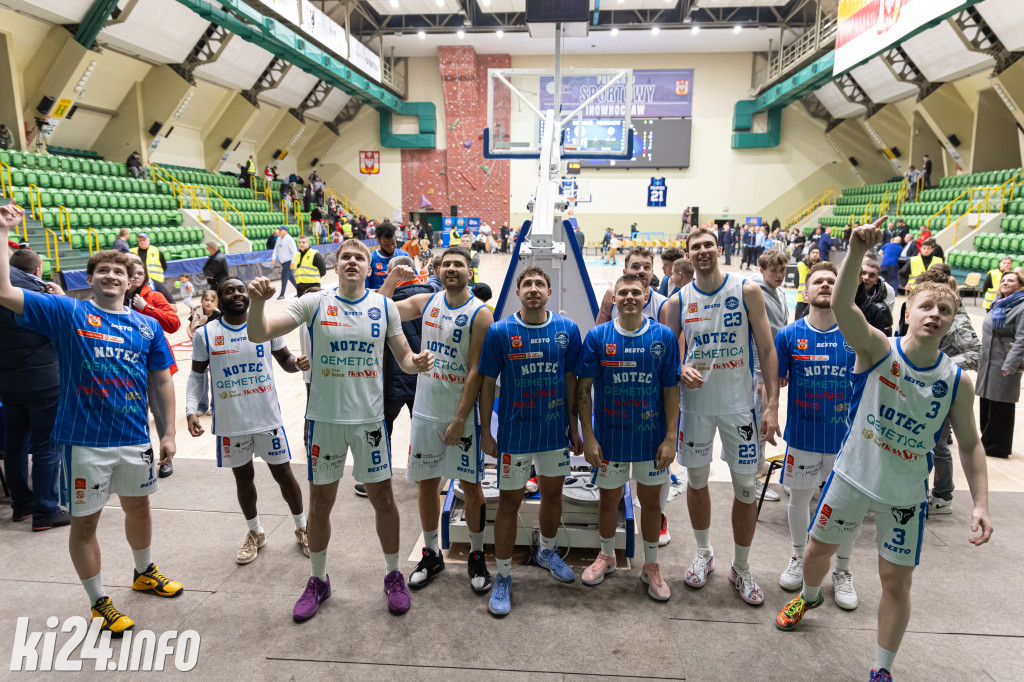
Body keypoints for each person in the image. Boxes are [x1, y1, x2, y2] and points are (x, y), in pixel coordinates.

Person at [775, 217, 993, 682]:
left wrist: (981, 503)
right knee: (815, 552)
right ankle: (810, 596)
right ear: (907, 311)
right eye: (926, 306)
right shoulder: (876, 349)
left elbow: (972, 446)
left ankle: (882, 669)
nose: (934, 315)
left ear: (952, 322)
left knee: (896, 582)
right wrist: (855, 251)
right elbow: (842, 306)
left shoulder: (956, 382)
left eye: (944, 311)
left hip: (905, 495)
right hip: (852, 476)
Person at [0, 202, 183, 635]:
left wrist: (170, 433)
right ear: (89, 278)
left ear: (130, 280)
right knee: (86, 523)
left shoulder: (147, 327)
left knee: (139, 509)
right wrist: (3, 232)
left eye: (119, 271)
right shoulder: (68, 313)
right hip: (84, 442)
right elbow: (5, 292)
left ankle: (144, 572)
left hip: (134, 438)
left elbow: (162, 379)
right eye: (103, 271)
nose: (111, 276)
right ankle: (99, 601)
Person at [247, 239, 434, 622]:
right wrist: (258, 303)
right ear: (336, 266)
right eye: (345, 256)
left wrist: (417, 362)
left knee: (384, 501)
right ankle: (318, 580)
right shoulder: (315, 302)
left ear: (369, 267)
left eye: (359, 257)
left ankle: (393, 575)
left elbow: (404, 358)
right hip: (325, 421)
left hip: (369, 422)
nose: (351, 261)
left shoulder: (384, 306)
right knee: (321, 504)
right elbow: (259, 333)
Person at [663, 227, 781, 606]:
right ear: (688, 254)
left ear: (718, 248)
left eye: (707, 245)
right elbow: (665, 354)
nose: (702, 251)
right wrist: (679, 368)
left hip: (738, 407)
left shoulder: (746, 290)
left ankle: (741, 566)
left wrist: (772, 405)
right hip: (695, 407)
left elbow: (767, 348)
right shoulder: (677, 302)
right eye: (695, 247)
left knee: (745, 487)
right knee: (697, 481)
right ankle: (704, 553)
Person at [377, 246, 494, 594]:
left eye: (459, 264)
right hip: (425, 412)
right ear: (439, 270)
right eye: (447, 264)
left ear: (470, 272)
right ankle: (431, 554)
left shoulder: (480, 314)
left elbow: (476, 371)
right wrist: (390, 280)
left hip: (462, 417)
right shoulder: (426, 301)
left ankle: (476, 555)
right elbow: (378, 310)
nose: (452, 269)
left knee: (471, 487)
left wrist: (460, 419)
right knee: (426, 484)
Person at [478, 266, 583, 615]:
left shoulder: (567, 330)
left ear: (549, 292)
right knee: (509, 503)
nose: (534, 288)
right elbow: (487, 385)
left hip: (554, 432)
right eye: (527, 284)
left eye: (540, 284)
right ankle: (504, 576)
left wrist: (574, 427)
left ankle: (547, 551)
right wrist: (486, 431)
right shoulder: (500, 331)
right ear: (518, 292)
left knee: (552, 494)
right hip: (514, 434)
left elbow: (571, 381)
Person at [185, 278, 311, 564]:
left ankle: (302, 527)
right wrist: (191, 409)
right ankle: (255, 532)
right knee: (243, 479)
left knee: (284, 475)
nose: (237, 294)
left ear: (249, 295)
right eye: (229, 291)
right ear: (220, 299)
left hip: (267, 417)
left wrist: (297, 364)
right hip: (231, 423)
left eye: (241, 289)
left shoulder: (265, 326)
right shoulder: (205, 335)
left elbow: (286, 360)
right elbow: (196, 376)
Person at [577, 273, 680, 600]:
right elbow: (584, 388)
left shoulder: (663, 336)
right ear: (613, 299)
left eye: (636, 292)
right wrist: (588, 435)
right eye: (623, 293)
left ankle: (651, 565)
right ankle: (607, 555)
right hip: (610, 438)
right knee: (608, 499)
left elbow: (671, 390)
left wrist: (671, 437)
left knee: (650, 502)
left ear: (646, 296)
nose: (630, 297)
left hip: (651, 439)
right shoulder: (598, 336)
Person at [774, 261, 860, 609]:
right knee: (799, 500)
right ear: (806, 293)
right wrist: (768, 411)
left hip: (846, 440)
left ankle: (843, 570)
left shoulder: (858, 334)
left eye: (832, 281)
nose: (825, 285)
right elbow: (775, 382)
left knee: (845, 508)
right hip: (803, 435)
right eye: (818, 281)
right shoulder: (788, 335)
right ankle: (799, 556)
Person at [0, 247, 65, 530]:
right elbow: (67, 323)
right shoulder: (36, 292)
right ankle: (46, 511)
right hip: (43, 381)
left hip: (8, 381)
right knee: (45, 447)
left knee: (14, 445)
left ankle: (22, 506)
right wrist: (59, 297)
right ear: (37, 269)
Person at [930, 275, 981, 514]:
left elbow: (975, 353)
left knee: (939, 443)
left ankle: (942, 495)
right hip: (922, 387)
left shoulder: (958, 320)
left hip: (943, 388)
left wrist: (941, 366)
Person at [126, 256, 180, 478]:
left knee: (159, 412)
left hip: (153, 364)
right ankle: (139, 458)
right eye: (132, 273)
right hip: (126, 364)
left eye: (140, 273)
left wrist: (146, 308)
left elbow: (174, 324)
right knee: (134, 412)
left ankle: (166, 457)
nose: (136, 277)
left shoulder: (154, 295)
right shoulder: (114, 297)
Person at [751, 250, 790, 503]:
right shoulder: (756, 294)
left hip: (773, 367)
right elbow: (756, 340)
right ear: (762, 270)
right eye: (774, 270)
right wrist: (761, 377)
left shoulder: (780, 293)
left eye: (782, 270)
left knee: (765, 421)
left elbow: (780, 333)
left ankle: (759, 462)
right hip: (759, 371)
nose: (779, 275)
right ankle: (750, 476)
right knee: (757, 424)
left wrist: (781, 369)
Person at [976, 269, 1024, 459]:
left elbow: (1022, 340)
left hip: (1005, 361)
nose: (1005, 283)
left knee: (1001, 405)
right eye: (1003, 280)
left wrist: (1010, 364)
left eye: (1011, 281)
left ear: (1021, 286)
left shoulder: (1021, 307)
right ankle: (986, 443)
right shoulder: (998, 304)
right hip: (988, 360)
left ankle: (997, 447)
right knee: (987, 402)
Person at [596, 246, 667, 325]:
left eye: (647, 267)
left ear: (652, 273)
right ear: (625, 273)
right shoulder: (611, 295)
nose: (641, 271)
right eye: (635, 267)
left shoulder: (663, 305)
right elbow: (599, 330)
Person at [187, 289, 219, 416]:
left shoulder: (218, 315)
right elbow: (189, 326)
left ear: (216, 303)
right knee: (201, 379)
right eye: (206, 300)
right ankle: (201, 406)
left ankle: (215, 406)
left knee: (216, 380)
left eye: (212, 300)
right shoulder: (197, 312)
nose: (208, 303)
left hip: (214, 351)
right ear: (201, 300)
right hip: (200, 352)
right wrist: (191, 335)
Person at [367, 222, 415, 290]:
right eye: (387, 245)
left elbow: (415, 280)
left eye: (393, 243)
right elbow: (365, 289)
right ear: (379, 241)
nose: (391, 247)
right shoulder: (371, 259)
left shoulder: (404, 256)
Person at [855, 255, 894, 337]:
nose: (866, 278)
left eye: (872, 275)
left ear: (876, 280)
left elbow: (884, 338)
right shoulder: (843, 297)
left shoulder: (882, 308)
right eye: (863, 273)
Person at [130, 232, 172, 302]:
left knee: (158, 301)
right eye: (140, 240)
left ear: (148, 241)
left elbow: (164, 266)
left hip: (155, 281)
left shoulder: (156, 251)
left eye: (144, 240)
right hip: (139, 281)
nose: (142, 242)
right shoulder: (132, 252)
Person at [794, 246, 820, 320]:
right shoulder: (801, 265)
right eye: (813, 252)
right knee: (799, 320)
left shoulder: (822, 265)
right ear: (809, 254)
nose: (815, 254)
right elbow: (796, 281)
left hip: (816, 298)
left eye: (817, 253)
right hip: (802, 299)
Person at [271, 227, 298, 299]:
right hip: (283, 262)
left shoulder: (289, 239)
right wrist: (273, 258)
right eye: (279, 230)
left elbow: (294, 251)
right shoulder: (279, 239)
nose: (279, 231)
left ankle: (282, 294)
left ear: (285, 231)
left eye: (281, 230)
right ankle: (301, 291)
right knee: (291, 278)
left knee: (284, 277)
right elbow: (275, 249)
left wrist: (293, 262)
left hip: (288, 261)